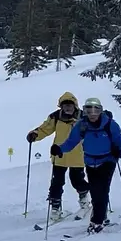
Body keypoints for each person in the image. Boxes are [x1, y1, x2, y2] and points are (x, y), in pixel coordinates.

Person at [54, 97, 121, 232]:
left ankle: (96, 221)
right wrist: (59, 149)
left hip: (107, 160)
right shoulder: (82, 125)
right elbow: (71, 142)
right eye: (89, 111)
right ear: (85, 112)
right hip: (90, 161)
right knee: (95, 191)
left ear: (100, 111)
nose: (92, 115)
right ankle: (102, 216)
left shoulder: (109, 124)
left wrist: (120, 151)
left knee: (102, 190)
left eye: (95, 111)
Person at [27, 91, 89, 222]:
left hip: (77, 154)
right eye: (64, 105)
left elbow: (95, 128)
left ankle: (84, 200)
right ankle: (56, 208)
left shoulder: (83, 117)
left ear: (75, 106)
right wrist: (35, 134)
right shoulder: (56, 116)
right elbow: (45, 129)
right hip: (59, 155)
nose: (67, 107)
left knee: (77, 180)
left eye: (70, 105)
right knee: (56, 183)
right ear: (61, 106)